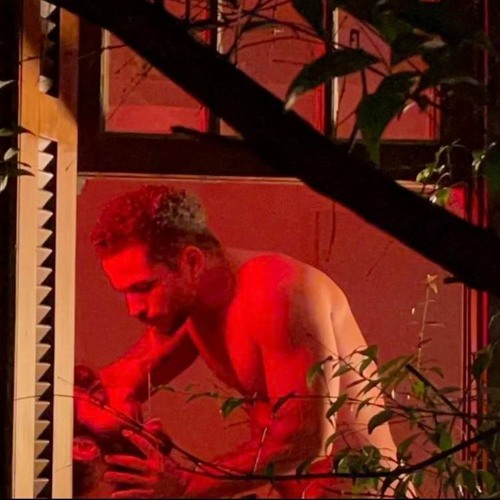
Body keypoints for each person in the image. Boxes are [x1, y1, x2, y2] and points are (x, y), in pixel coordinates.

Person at [76, 184, 401, 498]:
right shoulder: (190, 309)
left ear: (191, 262)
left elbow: (306, 439)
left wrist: (185, 486)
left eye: (144, 287)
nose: (134, 308)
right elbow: (120, 386)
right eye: (126, 292)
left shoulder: (275, 288)